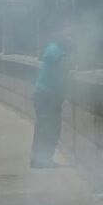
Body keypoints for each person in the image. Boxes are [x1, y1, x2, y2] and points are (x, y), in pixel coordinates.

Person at [30, 37, 68, 168]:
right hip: (46, 96)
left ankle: (40, 159)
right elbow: (63, 65)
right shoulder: (54, 50)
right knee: (47, 128)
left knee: (44, 128)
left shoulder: (52, 48)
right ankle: (41, 160)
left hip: (45, 95)